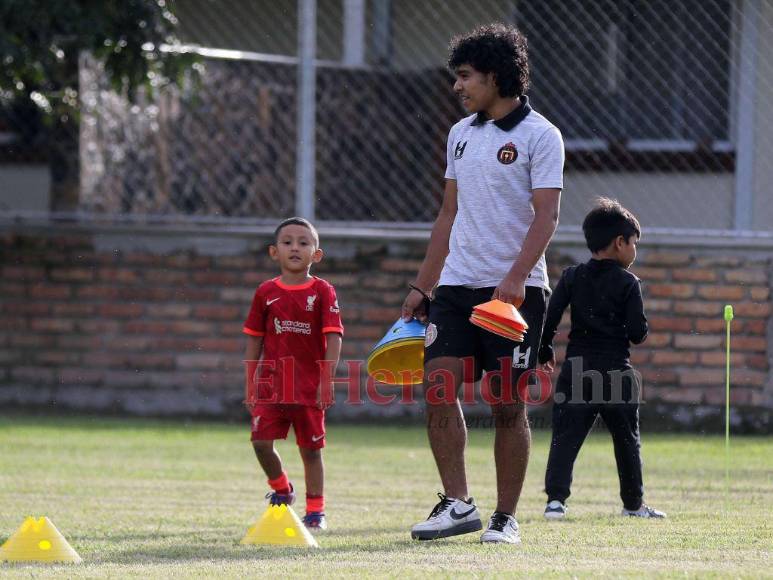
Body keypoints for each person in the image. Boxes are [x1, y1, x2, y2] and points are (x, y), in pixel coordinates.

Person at [401, 23, 564, 544]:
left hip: (516, 292)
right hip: (455, 287)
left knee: (506, 402)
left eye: (466, 76)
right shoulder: (461, 135)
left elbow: (548, 215)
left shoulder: (542, 135)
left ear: (495, 76)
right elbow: (447, 213)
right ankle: (457, 503)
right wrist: (423, 286)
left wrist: (515, 276)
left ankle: (505, 517)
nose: (458, 86)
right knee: (437, 387)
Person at [538, 198, 666, 520]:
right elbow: (637, 333)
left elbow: (550, 316)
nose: (634, 250)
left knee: (566, 436)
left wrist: (544, 348)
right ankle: (633, 505)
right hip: (617, 372)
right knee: (626, 439)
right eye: (634, 243)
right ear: (620, 243)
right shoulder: (628, 283)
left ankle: (556, 501)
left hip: (578, 368)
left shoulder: (571, 277)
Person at [242, 217, 343, 531]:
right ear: (274, 252)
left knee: (311, 451)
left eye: (303, 242)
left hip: (309, 387)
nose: (295, 248)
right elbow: (255, 339)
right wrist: (250, 382)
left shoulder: (323, 291)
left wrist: (327, 381)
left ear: (317, 254)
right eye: (287, 242)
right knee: (260, 443)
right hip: (272, 385)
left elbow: (334, 337)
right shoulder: (265, 292)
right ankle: (282, 488)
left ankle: (316, 512)